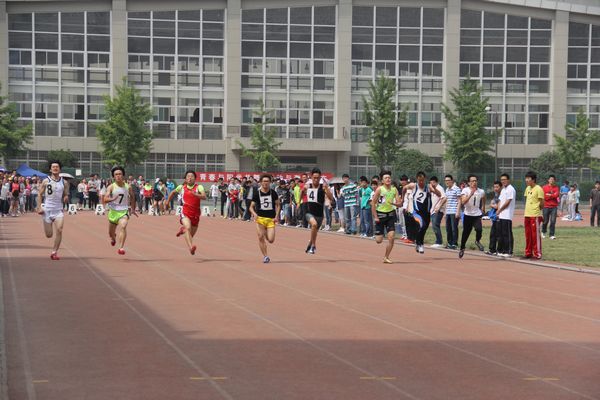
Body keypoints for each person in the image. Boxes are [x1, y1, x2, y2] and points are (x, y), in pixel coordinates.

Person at [166, 171, 206, 255]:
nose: (190, 178)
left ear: (195, 178)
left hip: (196, 214)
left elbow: (204, 196)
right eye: (188, 176)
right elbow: (172, 192)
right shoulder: (181, 187)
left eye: (192, 176)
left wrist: (196, 194)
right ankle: (191, 248)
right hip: (185, 212)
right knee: (188, 227)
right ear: (185, 178)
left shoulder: (199, 187)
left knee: (190, 235)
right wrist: (167, 202)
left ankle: (183, 230)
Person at [402, 172, 442, 254]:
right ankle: (420, 244)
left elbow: (439, 194)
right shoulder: (413, 185)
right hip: (417, 212)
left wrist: (435, 188)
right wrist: (402, 199)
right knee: (422, 225)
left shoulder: (428, 187)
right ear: (417, 179)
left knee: (424, 229)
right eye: (419, 180)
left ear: (425, 179)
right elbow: (404, 188)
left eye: (422, 180)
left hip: (426, 213)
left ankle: (419, 242)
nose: (421, 182)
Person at [37, 161, 70, 260]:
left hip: (58, 210)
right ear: (50, 169)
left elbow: (66, 194)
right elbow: (39, 194)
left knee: (59, 230)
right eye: (53, 167)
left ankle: (54, 252)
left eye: (57, 167)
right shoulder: (45, 181)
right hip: (47, 210)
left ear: (60, 169)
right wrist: (39, 207)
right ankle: (47, 224)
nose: (55, 168)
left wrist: (66, 198)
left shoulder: (64, 182)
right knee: (49, 235)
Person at [103, 166, 137, 255]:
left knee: (123, 225)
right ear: (113, 176)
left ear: (123, 175)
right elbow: (105, 199)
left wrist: (133, 209)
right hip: (113, 212)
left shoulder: (128, 187)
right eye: (116, 174)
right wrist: (112, 199)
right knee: (110, 233)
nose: (118, 176)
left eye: (120, 174)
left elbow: (132, 197)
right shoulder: (111, 187)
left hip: (123, 211)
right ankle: (113, 237)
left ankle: (121, 248)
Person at [372, 170, 402, 263]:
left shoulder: (394, 189)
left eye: (389, 177)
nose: (388, 179)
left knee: (391, 237)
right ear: (382, 180)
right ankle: (378, 233)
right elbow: (373, 203)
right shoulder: (379, 189)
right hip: (380, 215)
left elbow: (399, 203)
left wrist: (394, 203)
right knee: (379, 240)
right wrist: (375, 216)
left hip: (391, 215)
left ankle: (386, 257)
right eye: (386, 178)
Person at [249, 174, 280, 263]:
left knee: (271, 240)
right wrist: (254, 214)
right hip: (260, 219)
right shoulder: (257, 193)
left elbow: (278, 205)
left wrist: (276, 216)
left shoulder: (273, 193)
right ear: (261, 182)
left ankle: (266, 231)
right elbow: (251, 207)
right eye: (264, 181)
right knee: (260, 236)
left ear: (270, 182)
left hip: (270, 219)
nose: (265, 183)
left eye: (267, 181)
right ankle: (265, 256)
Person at [302, 168, 334, 254]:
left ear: (320, 178)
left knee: (315, 231)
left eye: (317, 178)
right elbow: (301, 195)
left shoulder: (323, 187)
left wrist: (326, 189)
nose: (316, 179)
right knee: (314, 225)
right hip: (309, 212)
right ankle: (313, 246)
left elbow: (331, 198)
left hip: (319, 214)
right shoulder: (307, 186)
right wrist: (302, 192)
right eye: (314, 177)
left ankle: (310, 244)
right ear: (311, 177)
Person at [458, 174, 486, 259]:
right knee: (466, 233)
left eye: (475, 181)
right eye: (472, 181)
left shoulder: (481, 191)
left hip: (477, 214)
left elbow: (484, 197)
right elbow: (463, 202)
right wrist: (471, 194)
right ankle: (462, 248)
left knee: (479, 229)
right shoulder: (465, 190)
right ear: (469, 183)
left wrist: (483, 206)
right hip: (468, 215)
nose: (474, 182)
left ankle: (477, 241)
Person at [523, 171, 544, 260]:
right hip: (527, 214)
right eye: (526, 178)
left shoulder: (538, 188)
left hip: (535, 215)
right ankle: (528, 252)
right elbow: (527, 199)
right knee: (528, 235)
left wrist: (538, 211)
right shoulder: (527, 188)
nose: (526, 180)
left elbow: (542, 202)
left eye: (528, 178)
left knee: (535, 235)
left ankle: (537, 253)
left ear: (533, 179)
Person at [496, 174, 516, 257]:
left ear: (508, 180)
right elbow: (500, 200)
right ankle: (502, 250)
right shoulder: (503, 189)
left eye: (504, 179)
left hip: (507, 215)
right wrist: (498, 211)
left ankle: (509, 251)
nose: (503, 181)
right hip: (501, 215)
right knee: (501, 233)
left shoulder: (511, 189)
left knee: (507, 233)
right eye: (502, 180)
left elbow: (508, 202)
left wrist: (500, 210)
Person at [442, 175, 461, 250]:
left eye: (448, 180)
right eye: (445, 180)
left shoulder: (457, 189)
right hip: (448, 212)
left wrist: (457, 211)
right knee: (448, 228)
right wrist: (445, 212)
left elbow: (459, 200)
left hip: (454, 211)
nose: (447, 182)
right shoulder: (447, 189)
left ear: (452, 181)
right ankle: (449, 243)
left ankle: (454, 244)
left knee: (454, 228)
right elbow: (447, 201)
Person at [486, 181, 502, 255]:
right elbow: (493, 204)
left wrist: (492, 205)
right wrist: (493, 205)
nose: (495, 188)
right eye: (494, 187)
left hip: (499, 217)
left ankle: (499, 250)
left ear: (501, 187)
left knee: (499, 235)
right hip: (494, 217)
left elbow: (498, 206)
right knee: (493, 234)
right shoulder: (496, 195)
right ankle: (492, 250)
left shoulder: (502, 195)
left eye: (497, 187)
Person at [429, 176, 445, 248]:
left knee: (436, 225)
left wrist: (439, 207)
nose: (432, 184)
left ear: (436, 182)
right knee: (434, 226)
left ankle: (439, 242)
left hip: (439, 210)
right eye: (431, 183)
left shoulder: (440, 188)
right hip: (433, 210)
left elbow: (443, 198)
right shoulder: (432, 189)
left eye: (433, 182)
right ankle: (438, 241)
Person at [541, 175, 559, 239]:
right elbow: (544, 197)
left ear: (554, 180)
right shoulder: (544, 187)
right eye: (550, 179)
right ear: (548, 180)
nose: (551, 180)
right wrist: (552, 195)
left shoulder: (556, 188)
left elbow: (556, 195)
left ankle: (551, 235)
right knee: (545, 221)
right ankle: (543, 232)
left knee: (553, 221)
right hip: (546, 206)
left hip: (554, 207)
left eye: (553, 179)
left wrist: (549, 195)